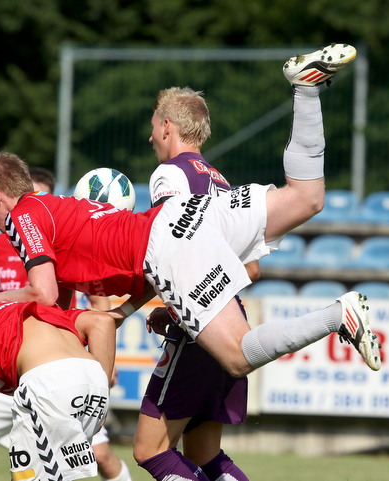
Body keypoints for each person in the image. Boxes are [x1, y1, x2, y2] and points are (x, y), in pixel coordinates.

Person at [0, 44, 380, 465]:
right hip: (199, 220)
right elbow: (64, 303)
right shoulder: (197, 178)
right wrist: (127, 313)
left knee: (227, 365)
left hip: (169, 238)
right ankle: (306, 92)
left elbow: (44, 292)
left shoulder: (28, 212)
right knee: (306, 197)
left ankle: (336, 315)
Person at [0, 166, 131, 481]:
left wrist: (103, 364)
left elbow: (96, 306)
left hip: (51, 367)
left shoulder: (56, 234)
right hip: (3, 367)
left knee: (97, 456)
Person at [133, 86, 253, 481]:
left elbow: (172, 252)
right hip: (233, 325)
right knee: (204, 452)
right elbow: (251, 269)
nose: (150, 136)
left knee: (150, 450)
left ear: (167, 127)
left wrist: (130, 310)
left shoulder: (170, 174)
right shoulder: (223, 184)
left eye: (153, 126)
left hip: (199, 331)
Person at [0, 301, 116, 481]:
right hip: (94, 378)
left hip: (48, 379)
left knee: (28, 477)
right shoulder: (40, 313)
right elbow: (102, 321)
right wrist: (102, 394)